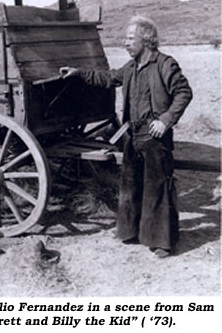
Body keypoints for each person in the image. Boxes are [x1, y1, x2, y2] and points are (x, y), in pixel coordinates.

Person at [60, 16, 192, 258]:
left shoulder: (164, 64)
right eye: (126, 38)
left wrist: (165, 121)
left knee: (158, 186)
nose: (125, 43)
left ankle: (162, 242)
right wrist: (78, 73)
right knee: (131, 184)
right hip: (132, 134)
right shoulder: (130, 68)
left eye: (131, 38)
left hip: (154, 136)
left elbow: (184, 92)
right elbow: (108, 78)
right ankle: (131, 232)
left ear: (147, 40)